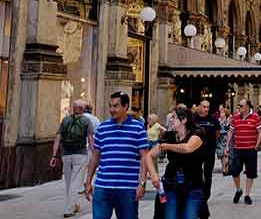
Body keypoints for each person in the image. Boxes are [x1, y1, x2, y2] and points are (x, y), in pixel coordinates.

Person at [85, 91, 149, 219]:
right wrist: (88, 181)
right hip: (103, 187)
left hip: (128, 188)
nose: (112, 109)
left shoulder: (138, 128)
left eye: (116, 106)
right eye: (110, 106)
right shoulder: (102, 128)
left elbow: (144, 158)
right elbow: (95, 157)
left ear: (126, 107)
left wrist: (142, 184)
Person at [145, 106, 205, 219]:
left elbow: (188, 148)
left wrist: (167, 146)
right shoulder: (169, 136)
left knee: (189, 216)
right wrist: (154, 175)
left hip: (193, 185)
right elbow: (149, 156)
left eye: (174, 117)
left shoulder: (197, 133)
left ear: (184, 120)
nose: (171, 119)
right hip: (171, 184)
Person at [51, 99, 94, 218]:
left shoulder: (65, 120)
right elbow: (90, 140)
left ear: (73, 108)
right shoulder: (86, 121)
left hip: (66, 154)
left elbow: (58, 138)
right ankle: (68, 209)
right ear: (83, 109)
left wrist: (54, 156)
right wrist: (95, 154)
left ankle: (73, 204)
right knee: (75, 182)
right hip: (80, 154)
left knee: (69, 182)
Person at [226, 100, 261, 205]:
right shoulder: (235, 117)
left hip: (251, 149)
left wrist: (257, 144)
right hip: (238, 149)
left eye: (241, 106)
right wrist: (227, 146)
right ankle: (238, 190)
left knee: (250, 173)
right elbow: (231, 131)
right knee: (234, 171)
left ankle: (247, 194)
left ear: (247, 107)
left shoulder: (255, 117)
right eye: (239, 105)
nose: (239, 107)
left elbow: (260, 131)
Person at [192, 100, 220, 219]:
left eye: (208, 107)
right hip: (196, 152)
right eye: (203, 107)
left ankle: (206, 196)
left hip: (209, 152)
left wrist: (211, 144)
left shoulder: (213, 120)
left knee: (208, 175)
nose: (206, 109)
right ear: (198, 107)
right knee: (197, 175)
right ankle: (198, 196)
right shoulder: (193, 119)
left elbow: (217, 133)